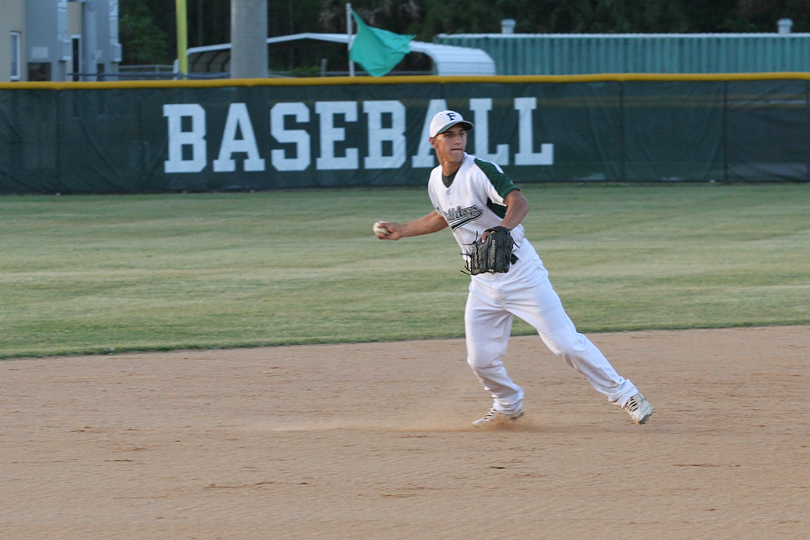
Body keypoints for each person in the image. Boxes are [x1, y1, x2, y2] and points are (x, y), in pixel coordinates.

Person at [374, 110, 653, 427]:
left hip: (521, 275)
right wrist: (403, 229)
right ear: (433, 142)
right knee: (480, 359)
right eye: (449, 135)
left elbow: (518, 201)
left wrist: (503, 229)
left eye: (462, 133)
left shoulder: (480, 171)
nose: (457, 140)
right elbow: (443, 216)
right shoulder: (436, 180)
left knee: (565, 344)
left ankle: (627, 394)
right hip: (482, 282)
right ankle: (507, 404)